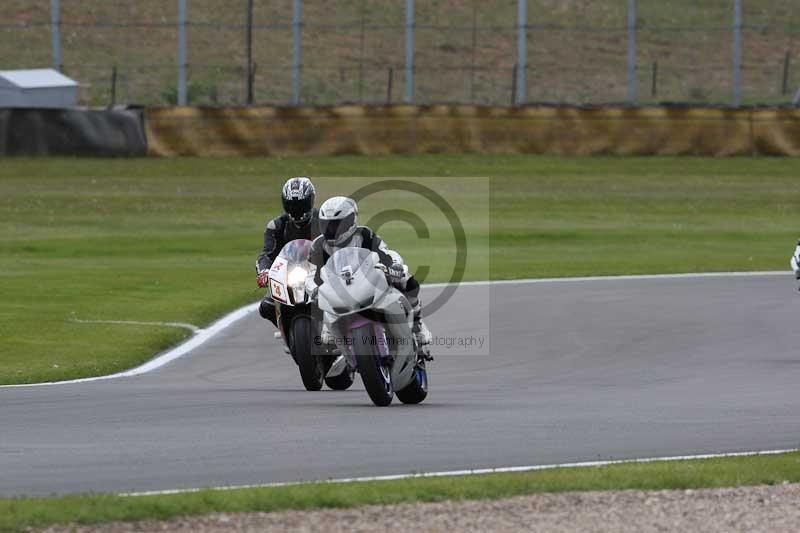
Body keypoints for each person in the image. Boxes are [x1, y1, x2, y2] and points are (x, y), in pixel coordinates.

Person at [306, 196, 433, 352]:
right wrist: (312, 288)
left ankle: (417, 324)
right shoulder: (318, 245)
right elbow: (311, 275)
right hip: (337, 291)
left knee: (409, 281)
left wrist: (395, 267)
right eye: (327, 225)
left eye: (336, 225)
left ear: (350, 221)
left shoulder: (365, 235)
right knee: (312, 299)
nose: (331, 231)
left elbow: (386, 253)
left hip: (367, 282)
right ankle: (329, 328)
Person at [255, 177, 321, 328]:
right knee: (266, 306)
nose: (297, 209)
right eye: (293, 205)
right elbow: (267, 253)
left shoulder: (323, 220)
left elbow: (337, 246)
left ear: (311, 201)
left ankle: (342, 333)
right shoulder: (276, 226)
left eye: (301, 204)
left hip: (320, 273)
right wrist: (264, 271)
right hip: (288, 276)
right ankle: (288, 332)